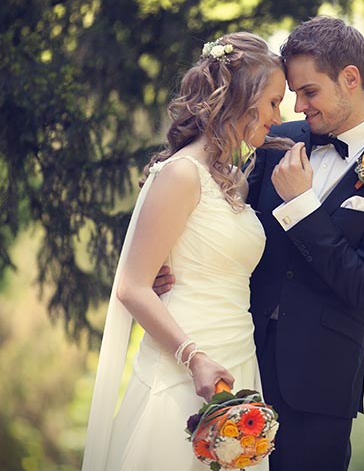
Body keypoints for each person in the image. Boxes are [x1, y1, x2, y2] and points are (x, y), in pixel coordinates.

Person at [155, 15, 364, 470]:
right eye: (292, 94)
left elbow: (363, 286)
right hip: (237, 359)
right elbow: (217, 214)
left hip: (318, 389)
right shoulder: (278, 140)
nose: (298, 107)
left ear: (350, 79)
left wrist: (302, 206)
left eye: (309, 92)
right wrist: (166, 262)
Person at [82, 32, 290, 471]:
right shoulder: (180, 174)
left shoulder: (236, 181)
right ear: (242, 97)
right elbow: (132, 287)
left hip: (238, 360)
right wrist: (193, 358)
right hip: (184, 366)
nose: (279, 116)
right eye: (273, 102)